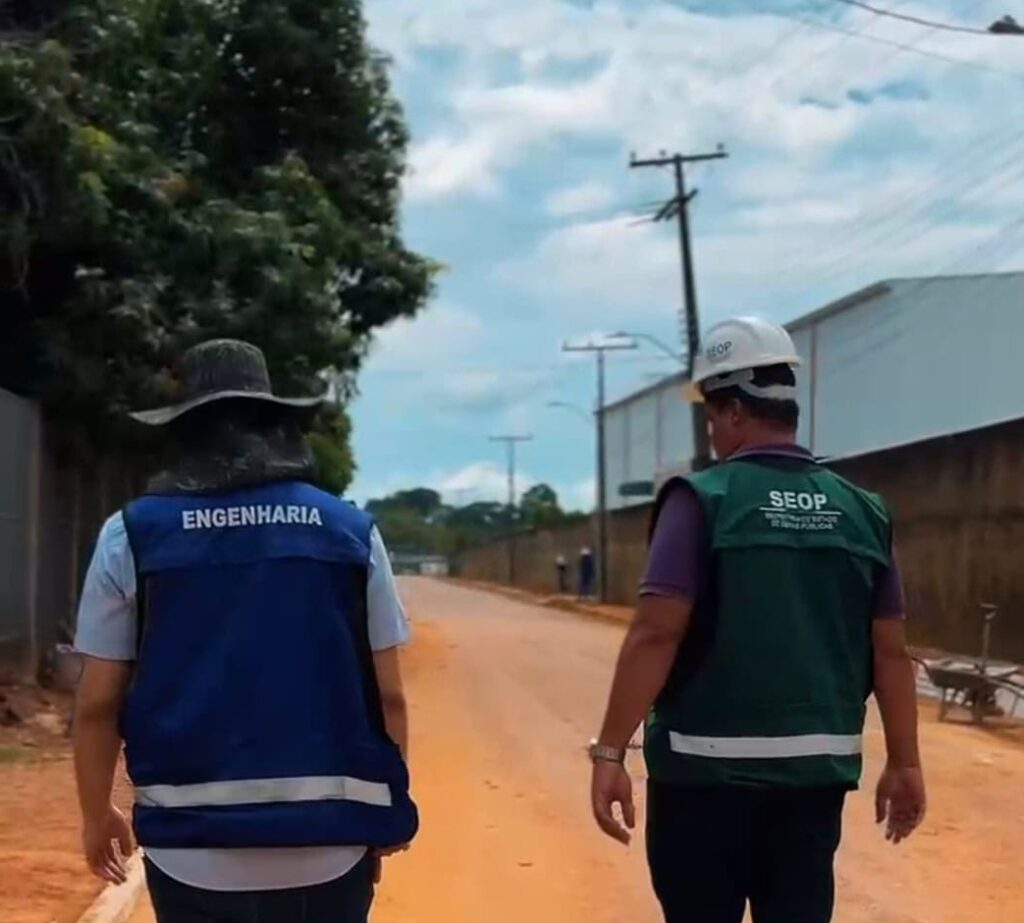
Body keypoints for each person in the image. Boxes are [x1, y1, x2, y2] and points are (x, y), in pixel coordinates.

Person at [589, 317, 925, 923]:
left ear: (736, 412)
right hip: (811, 785)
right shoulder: (863, 511)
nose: (713, 432)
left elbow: (656, 632)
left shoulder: (703, 500)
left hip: (702, 780)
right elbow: (891, 652)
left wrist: (610, 754)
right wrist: (905, 764)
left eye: (713, 417)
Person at [72, 340, 418, 923]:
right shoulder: (350, 531)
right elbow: (389, 696)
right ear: (276, 426)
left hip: (190, 850)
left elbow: (98, 703)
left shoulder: (131, 534)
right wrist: (378, 814)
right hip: (328, 845)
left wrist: (94, 812)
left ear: (183, 433)